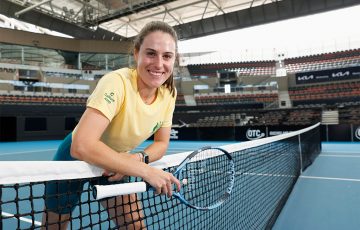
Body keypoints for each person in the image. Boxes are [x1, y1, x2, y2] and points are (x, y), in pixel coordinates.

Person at [41, 21, 181, 230]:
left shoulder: (169, 93)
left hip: (117, 163)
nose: (159, 64)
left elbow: (161, 144)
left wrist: (136, 159)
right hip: (73, 159)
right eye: (151, 53)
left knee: (135, 227)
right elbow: (82, 146)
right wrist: (145, 170)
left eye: (167, 56)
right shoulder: (116, 82)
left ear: (174, 60)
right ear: (136, 54)